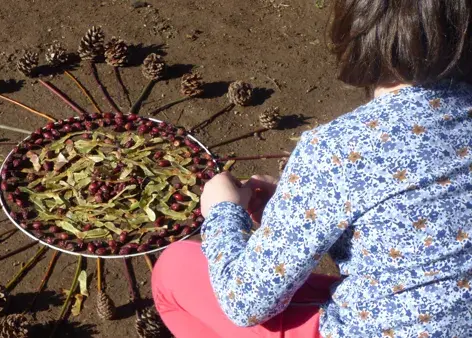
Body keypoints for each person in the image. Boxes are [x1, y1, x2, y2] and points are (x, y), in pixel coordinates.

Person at [151, 1, 472, 337]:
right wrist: (299, 206)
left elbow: (244, 301)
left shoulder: (340, 148)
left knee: (174, 270)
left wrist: (223, 213)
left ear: (358, 32)